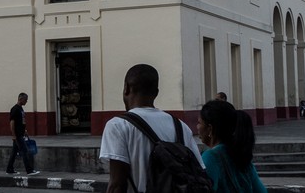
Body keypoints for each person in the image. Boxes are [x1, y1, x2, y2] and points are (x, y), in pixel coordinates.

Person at [99, 64, 203, 193]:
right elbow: (198, 171)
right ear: (156, 92)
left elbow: (117, 185)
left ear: (126, 88)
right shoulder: (181, 126)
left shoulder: (118, 126)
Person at [197, 100, 267, 193]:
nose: (197, 127)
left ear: (210, 128)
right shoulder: (240, 154)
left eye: (199, 122)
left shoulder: (211, 156)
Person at [5, 92, 39, 175]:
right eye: (25, 100)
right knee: (25, 151)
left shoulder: (20, 108)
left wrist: (25, 131)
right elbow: (12, 122)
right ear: (21, 99)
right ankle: (29, 170)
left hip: (21, 133)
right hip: (17, 135)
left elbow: (21, 121)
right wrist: (13, 135)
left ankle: (9, 169)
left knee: (14, 152)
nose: (26, 102)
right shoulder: (15, 109)